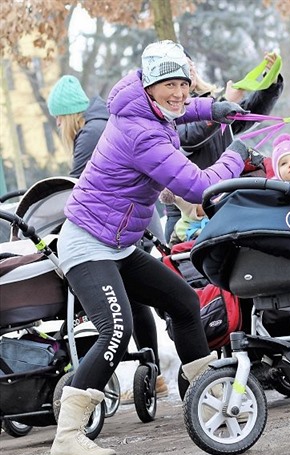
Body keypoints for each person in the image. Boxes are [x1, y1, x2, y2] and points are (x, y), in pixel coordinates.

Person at [48, 40, 250, 455]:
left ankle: (202, 394)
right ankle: (67, 435)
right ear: (149, 83)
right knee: (115, 330)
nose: (178, 92)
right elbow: (196, 186)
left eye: (184, 82)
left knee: (182, 301)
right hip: (87, 242)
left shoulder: (144, 107)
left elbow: (174, 110)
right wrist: (236, 155)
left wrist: (210, 110)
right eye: (168, 84)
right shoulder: (139, 133)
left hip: (118, 244)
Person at [47, 75, 170, 400]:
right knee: (134, 305)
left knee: (127, 313)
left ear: (68, 115)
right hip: (125, 222)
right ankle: (153, 372)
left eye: (59, 118)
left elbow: (75, 187)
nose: (59, 125)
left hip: (115, 227)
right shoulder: (102, 123)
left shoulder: (89, 133)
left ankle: (151, 373)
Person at [162, 51, 284, 242]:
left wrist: (270, 82)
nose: (190, 68)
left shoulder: (208, 102)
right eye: (182, 65)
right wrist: (225, 104)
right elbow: (189, 138)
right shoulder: (166, 111)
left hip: (222, 203)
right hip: (187, 218)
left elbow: (249, 114)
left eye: (190, 63)